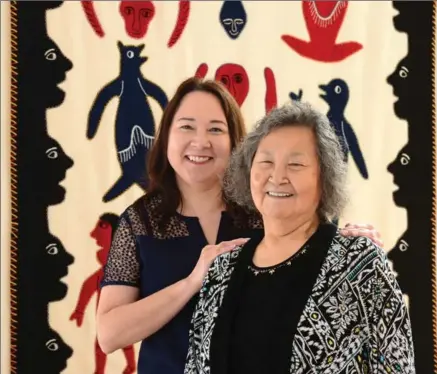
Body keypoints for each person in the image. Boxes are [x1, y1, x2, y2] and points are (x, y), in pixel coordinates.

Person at [96, 77, 384, 374]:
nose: (200, 141)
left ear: (237, 144)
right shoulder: (140, 222)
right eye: (186, 126)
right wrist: (191, 283)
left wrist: (349, 242)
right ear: (165, 136)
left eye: (216, 129)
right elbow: (108, 334)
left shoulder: (263, 211)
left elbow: (315, 250)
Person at [184, 101, 415, 374]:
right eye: (266, 161)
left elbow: (397, 366)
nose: (277, 176)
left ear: (324, 177)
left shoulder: (359, 262)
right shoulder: (222, 269)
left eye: (295, 164)